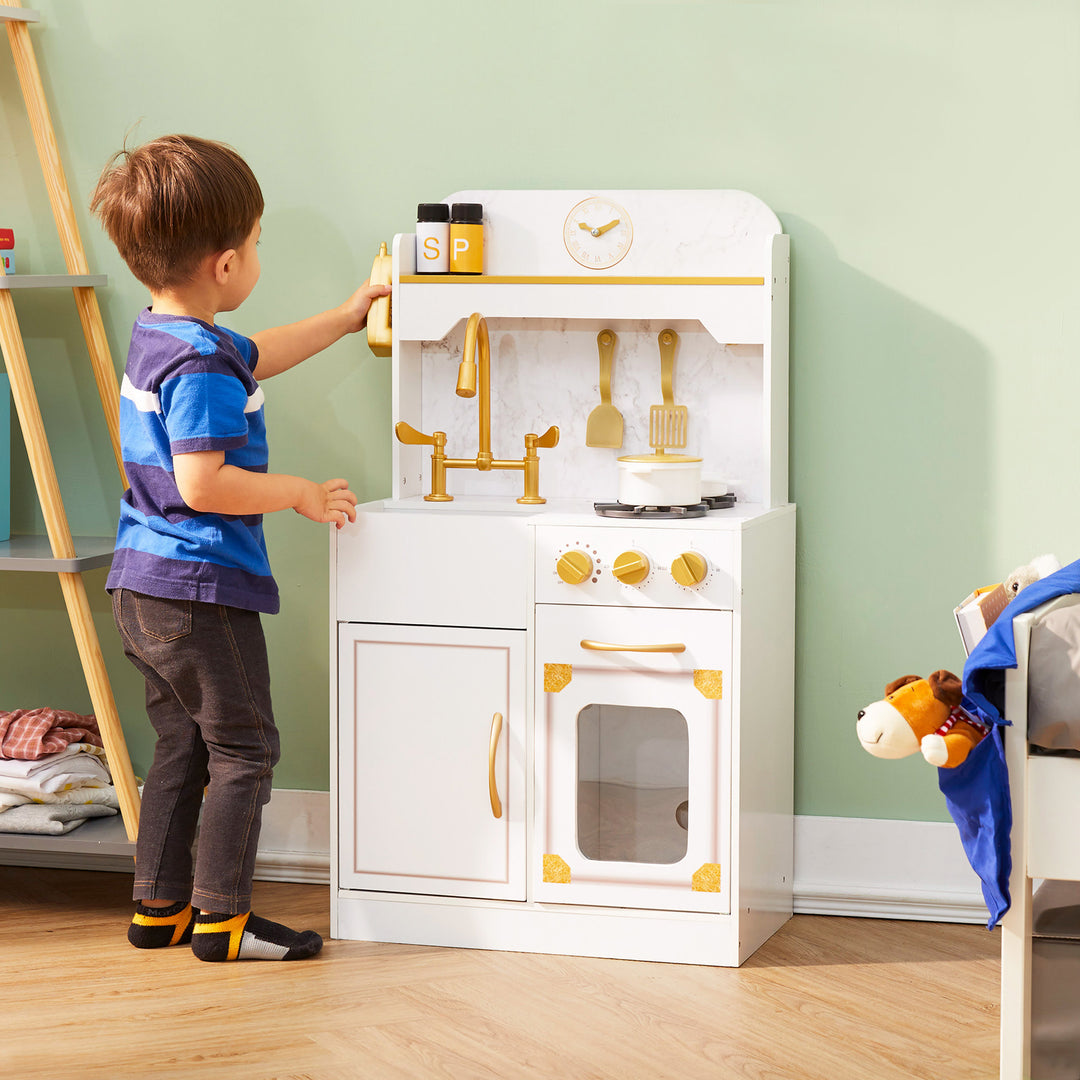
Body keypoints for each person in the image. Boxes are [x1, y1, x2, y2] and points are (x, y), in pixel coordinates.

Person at [90, 134, 388, 962]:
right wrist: (297, 492)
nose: (258, 255)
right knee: (246, 749)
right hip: (199, 588)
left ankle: (161, 907)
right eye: (256, 242)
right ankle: (224, 920)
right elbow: (204, 483)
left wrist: (347, 312)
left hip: (141, 585)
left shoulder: (167, 336)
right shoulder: (203, 366)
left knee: (182, 745)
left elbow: (263, 353)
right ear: (226, 264)